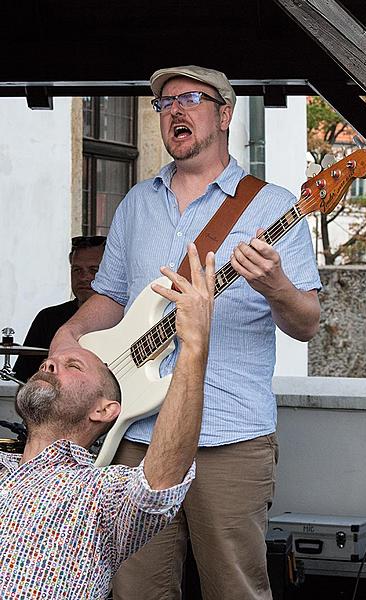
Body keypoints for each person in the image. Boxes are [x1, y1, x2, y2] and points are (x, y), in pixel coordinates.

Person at [50, 65, 321, 600]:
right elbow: (111, 297)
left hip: (229, 435)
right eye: (164, 103)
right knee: (134, 588)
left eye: (190, 99)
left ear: (224, 114)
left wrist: (276, 286)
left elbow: (306, 323)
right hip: (137, 435)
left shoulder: (275, 205)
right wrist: (70, 334)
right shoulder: (135, 204)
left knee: (234, 588)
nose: (174, 110)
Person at [0, 244, 215, 599]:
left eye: (73, 366)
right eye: (49, 364)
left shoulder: (101, 492)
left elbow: (160, 482)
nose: (50, 364)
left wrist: (193, 347)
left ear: (104, 410)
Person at [14, 235, 106, 382]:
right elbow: (25, 381)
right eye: (77, 270)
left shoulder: (125, 318)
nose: (84, 277)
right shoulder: (48, 318)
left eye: (94, 269)